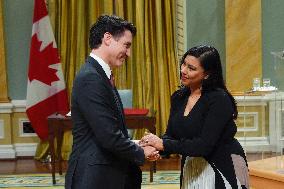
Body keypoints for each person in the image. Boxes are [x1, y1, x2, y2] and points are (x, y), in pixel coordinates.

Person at [65, 15, 158, 189]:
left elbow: (106, 131)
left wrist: (137, 143)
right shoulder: (91, 78)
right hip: (95, 178)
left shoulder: (99, 74)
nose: (129, 53)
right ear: (107, 38)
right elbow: (108, 136)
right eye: (126, 45)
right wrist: (141, 152)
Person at [141, 45, 250, 189]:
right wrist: (155, 147)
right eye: (184, 64)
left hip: (224, 165)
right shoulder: (178, 97)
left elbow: (204, 145)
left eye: (191, 68)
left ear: (207, 74)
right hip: (191, 165)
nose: (183, 71)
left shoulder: (219, 99)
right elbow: (171, 135)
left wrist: (163, 144)